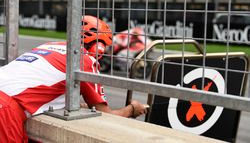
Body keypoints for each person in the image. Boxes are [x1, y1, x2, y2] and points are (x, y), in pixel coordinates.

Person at [0, 15, 147, 142]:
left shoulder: (49, 45)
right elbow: (106, 114)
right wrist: (131, 109)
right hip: (5, 109)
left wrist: (77, 104)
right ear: (99, 46)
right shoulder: (84, 59)